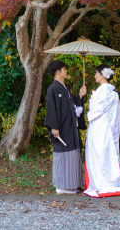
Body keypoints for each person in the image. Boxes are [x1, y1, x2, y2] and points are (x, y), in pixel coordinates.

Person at [83, 64, 120, 198]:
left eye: (96, 73)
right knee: (101, 154)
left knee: (102, 154)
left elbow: (99, 110)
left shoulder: (106, 92)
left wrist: (89, 114)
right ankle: (100, 180)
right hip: (99, 128)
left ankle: (103, 181)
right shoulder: (104, 91)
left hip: (102, 128)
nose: (95, 76)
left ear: (102, 75)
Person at [43, 59, 87, 194]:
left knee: (72, 153)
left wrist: (80, 96)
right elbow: (51, 109)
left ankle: (72, 184)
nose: (66, 71)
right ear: (58, 72)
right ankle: (62, 186)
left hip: (69, 127)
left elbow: (71, 104)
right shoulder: (53, 88)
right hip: (61, 128)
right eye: (64, 69)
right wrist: (53, 127)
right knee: (63, 154)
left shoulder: (63, 87)